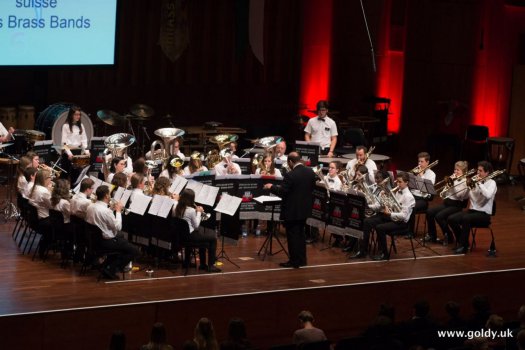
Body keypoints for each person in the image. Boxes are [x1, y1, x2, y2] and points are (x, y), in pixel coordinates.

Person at [264, 152, 316, 268]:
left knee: (292, 236)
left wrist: (271, 187)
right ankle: (302, 260)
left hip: (292, 211)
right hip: (304, 210)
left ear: (291, 162)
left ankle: (294, 261)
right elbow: (312, 188)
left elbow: (283, 192)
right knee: (301, 235)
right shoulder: (310, 172)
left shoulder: (290, 175)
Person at [351, 172, 415, 260]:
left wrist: (390, 213)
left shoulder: (408, 197)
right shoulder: (396, 192)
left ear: (406, 182)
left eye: (400, 182)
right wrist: (384, 201)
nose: (397, 184)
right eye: (397, 182)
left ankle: (384, 254)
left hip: (401, 223)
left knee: (380, 228)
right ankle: (363, 250)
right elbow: (391, 206)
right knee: (367, 221)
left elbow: (404, 216)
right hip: (391, 217)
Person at [85, 185, 140, 279]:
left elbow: (103, 220)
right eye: (109, 194)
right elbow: (118, 227)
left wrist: (111, 209)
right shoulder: (106, 211)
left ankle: (105, 266)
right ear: (106, 196)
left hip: (94, 240)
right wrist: (118, 211)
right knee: (134, 251)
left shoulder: (91, 206)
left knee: (122, 240)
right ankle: (112, 268)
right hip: (106, 242)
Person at [447, 160, 497, 254]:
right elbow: (470, 197)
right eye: (478, 170)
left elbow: (488, 195)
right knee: (451, 219)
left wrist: (479, 184)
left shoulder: (492, 183)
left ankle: (463, 247)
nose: (478, 173)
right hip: (473, 211)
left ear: (487, 172)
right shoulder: (474, 181)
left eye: (480, 171)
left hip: (484, 214)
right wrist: (467, 187)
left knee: (466, 219)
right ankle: (463, 242)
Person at [174, 189, 220, 273]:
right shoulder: (191, 211)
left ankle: (193, 263)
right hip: (190, 236)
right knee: (213, 238)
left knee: (203, 234)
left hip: (181, 236)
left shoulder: (177, 207)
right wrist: (198, 212)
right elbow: (196, 226)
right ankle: (211, 265)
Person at [425, 161, 469, 243]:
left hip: (456, 205)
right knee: (429, 212)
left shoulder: (465, 181)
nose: (455, 172)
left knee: (439, 216)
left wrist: (452, 184)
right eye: (455, 170)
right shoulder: (453, 179)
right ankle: (432, 235)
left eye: (458, 170)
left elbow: (460, 196)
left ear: (464, 172)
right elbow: (445, 194)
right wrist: (447, 187)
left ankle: (449, 236)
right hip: (447, 203)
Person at [61, 106, 90, 182]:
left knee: (76, 175)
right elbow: (64, 142)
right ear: (71, 115)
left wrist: (86, 151)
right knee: (65, 175)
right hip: (68, 153)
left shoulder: (81, 126)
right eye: (76, 114)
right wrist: (69, 153)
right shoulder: (65, 126)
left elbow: (84, 140)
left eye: (79, 115)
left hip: (77, 152)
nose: (78, 116)